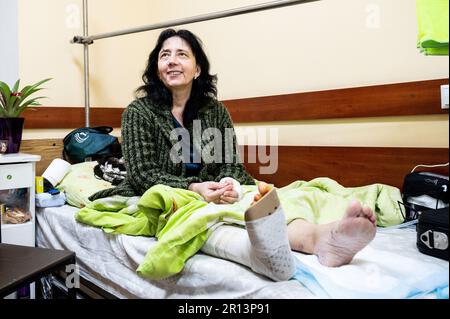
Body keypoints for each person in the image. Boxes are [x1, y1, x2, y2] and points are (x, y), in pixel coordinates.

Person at [89, 28, 376, 274]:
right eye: (165, 55)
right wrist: (194, 187)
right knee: (199, 214)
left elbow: (229, 162)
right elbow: (143, 175)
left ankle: (322, 236)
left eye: (182, 55)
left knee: (267, 197)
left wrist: (229, 183)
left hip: (214, 190)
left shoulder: (214, 111)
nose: (172, 62)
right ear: (156, 68)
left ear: (197, 68)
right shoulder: (138, 112)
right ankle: (307, 242)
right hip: (168, 192)